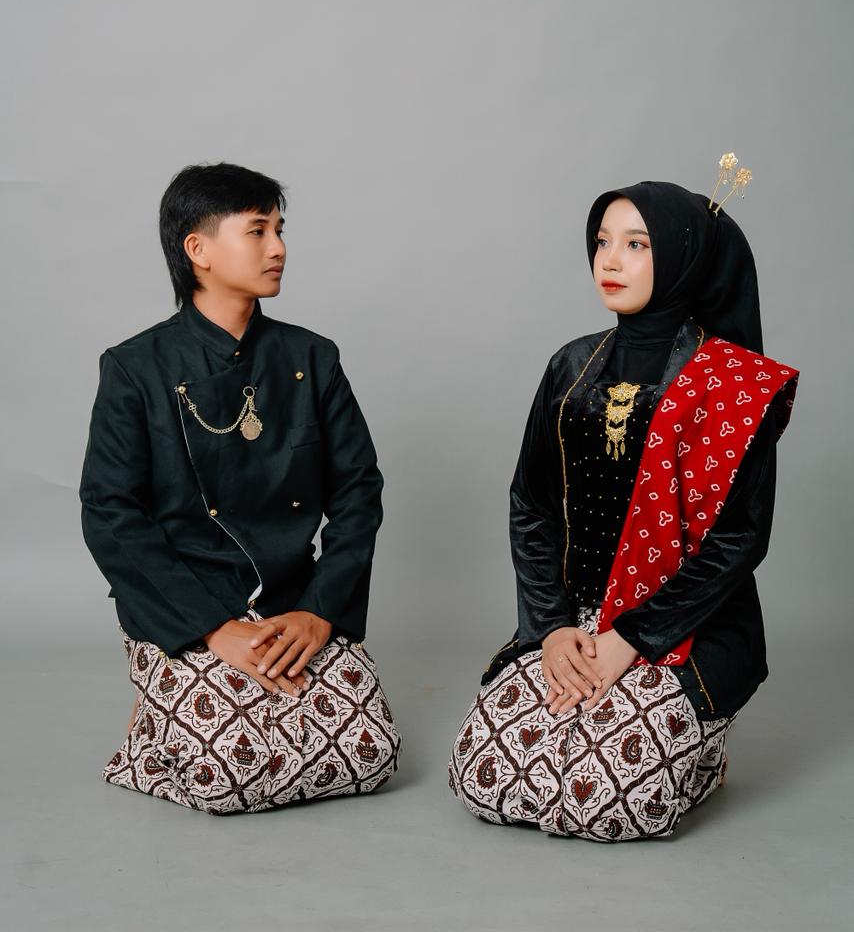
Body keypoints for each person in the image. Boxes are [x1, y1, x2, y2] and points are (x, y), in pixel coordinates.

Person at [448, 173, 798, 842]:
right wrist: (552, 630)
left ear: (684, 255)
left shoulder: (733, 383)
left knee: (608, 802)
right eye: (602, 241)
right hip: (576, 619)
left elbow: (740, 540)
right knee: (484, 774)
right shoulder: (571, 365)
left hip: (683, 627)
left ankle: (702, 755)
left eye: (637, 244)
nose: (610, 260)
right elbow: (532, 505)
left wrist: (631, 638)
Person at [80, 161, 400, 814]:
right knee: (229, 776)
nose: (278, 248)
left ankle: (179, 719)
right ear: (197, 249)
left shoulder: (311, 358)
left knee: (373, 752)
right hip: (186, 607)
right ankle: (148, 738)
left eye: (280, 230)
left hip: (290, 603)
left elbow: (358, 491)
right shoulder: (135, 369)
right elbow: (110, 514)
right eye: (257, 231)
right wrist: (211, 629)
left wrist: (318, 611)